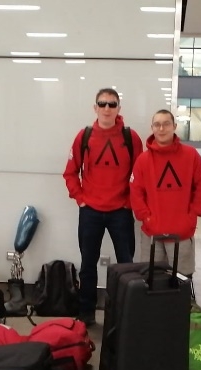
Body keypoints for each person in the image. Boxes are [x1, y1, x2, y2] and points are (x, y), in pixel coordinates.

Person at [63, 88, 144, 326]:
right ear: (95, 107)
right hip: (91, 212)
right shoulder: (84, 136)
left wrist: (129, 203)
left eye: (112, 104)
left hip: (121, 212)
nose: (107, 108)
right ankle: (86, 313)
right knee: (88, 264)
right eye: (103, 104)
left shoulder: (131, 138)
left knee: (125, 265)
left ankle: (124, 313)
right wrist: (80, 198)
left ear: (119, 108)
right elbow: (69, 172)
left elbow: (140, 175)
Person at [130, 109, 201, 277]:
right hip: (152, 231)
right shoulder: (143, 160)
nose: (161, 128)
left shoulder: (191, 155)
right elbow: (136, 192)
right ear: (152, 128)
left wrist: (193, 215)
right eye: (157, 124)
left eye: (166, 124)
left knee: (182, 278)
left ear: (174, 126)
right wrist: (145, 217)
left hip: (182, 232)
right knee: (150, 280)